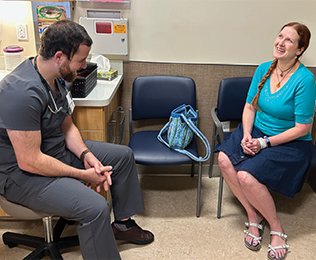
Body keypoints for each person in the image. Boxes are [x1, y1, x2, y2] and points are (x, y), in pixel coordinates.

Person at [0, 20, 154, 260]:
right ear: (59, 56)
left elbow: (66, 125)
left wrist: (87, 156)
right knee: (95, 208)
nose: (84, 66)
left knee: (123, 157)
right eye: (80, 60)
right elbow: (29, 161)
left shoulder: (57, 77)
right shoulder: (19, 92)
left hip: (53, 151)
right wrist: (83, 175)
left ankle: (122, 225)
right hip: (21, 174)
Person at [217, 22, 315, 260]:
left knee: (246, 176)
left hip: (289, 142)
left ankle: (276, 226)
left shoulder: (305, 80)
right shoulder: (264, 69)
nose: (280, 42)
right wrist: (248, 134)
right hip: (256, 130)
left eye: (289, 40)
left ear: (300, 50)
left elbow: (303, 128)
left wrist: (264, 143)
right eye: (280, 36)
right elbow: (250, 106)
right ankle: (253, 215)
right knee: (223, 159)